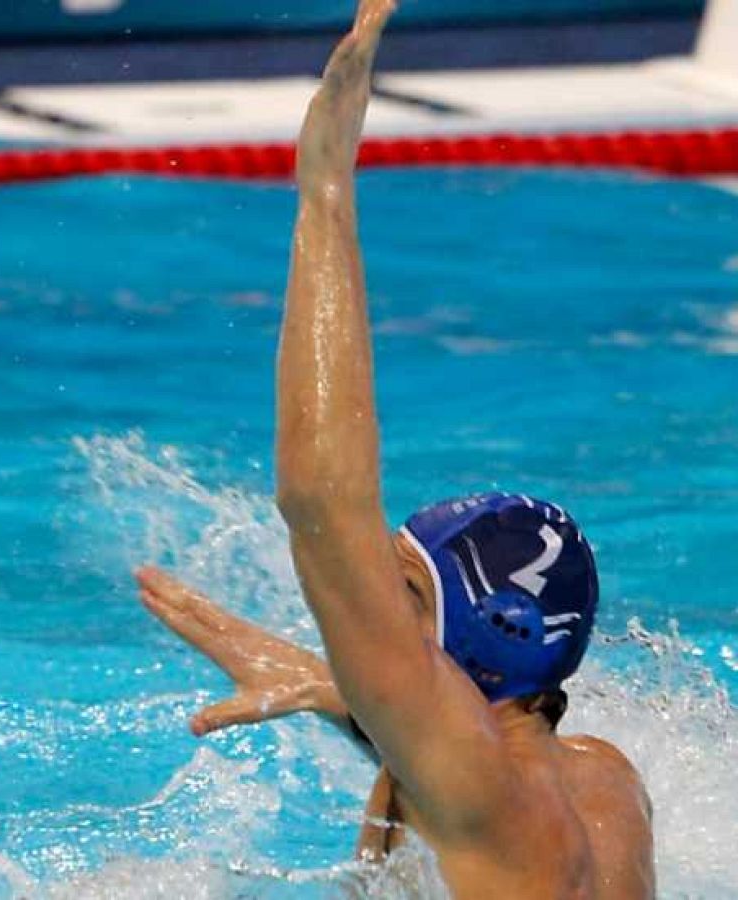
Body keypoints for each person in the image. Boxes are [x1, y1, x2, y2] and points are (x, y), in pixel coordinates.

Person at [139, 1, 654, 895]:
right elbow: (448, 738)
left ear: (493, 637)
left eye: (409, 595)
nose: (375, 607)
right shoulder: (599, 778)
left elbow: (321, 501)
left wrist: (325, 191)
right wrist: (331, 687)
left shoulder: (492, 799)